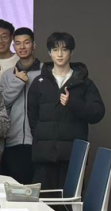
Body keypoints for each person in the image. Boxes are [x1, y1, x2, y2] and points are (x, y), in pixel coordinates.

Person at [27, 32, 105, 191]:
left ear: (71, 52)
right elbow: (32, 117)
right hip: (44, 155)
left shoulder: (84, 83)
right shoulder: (39, 82)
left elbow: (97, 113)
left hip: (72, 156)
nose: (60, 54)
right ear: (49, 52)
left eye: (64, 49)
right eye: (55, 50)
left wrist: (73, 103)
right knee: (44, 201)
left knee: (71, 201)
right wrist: (43, 138)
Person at [0, 27, 40, 184]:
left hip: (38, 140)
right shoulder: (8, 74)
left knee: (38, 188)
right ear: (13, 46)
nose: (22, 47)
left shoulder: (46, 72)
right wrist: (18, 82)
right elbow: (1, 104)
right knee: (15, 188)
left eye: (26, 42)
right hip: (13, 140)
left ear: (34, 45)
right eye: (18, 43)